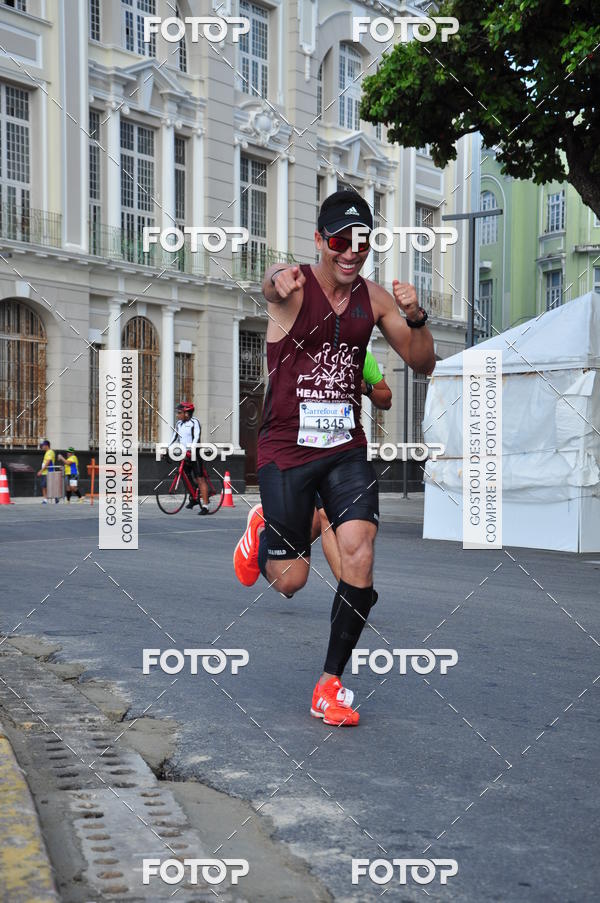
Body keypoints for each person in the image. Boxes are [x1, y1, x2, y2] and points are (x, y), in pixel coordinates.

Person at [233, 189, 435, 727]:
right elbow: (271, 283)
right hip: (286, 448)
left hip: (346, 448)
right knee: (290, 580)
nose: (351, 251)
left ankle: (330, 684)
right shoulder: (294, 287)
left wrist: (416, 317)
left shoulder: (376, 299)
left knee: (360, 553)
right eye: (340, 241)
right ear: (321, 242)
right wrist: (274, 280)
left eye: (362, 242)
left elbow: (423, 363)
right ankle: (263, 529)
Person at [312, 350, 392, 582]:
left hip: (349, 448)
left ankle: (350, 594)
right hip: (309, 446)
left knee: (327, 519)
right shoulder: (304, 347)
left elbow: (386, 398)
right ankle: (268, 539)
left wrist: (365, 387)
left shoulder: (360, 355)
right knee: (324, 517)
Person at [169, 401, 209, 514]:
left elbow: (196, 437)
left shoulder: (194, 422)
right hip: (184, 454)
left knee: (200, 479)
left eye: (180, 412)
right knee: (184, 476)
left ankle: (205, 506)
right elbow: (174, 437)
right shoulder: (178, 424)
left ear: (187, 413)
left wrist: (191, 448)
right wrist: (167, 449)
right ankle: (194, 497)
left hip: (195, 453)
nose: (178, 415)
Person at [37, 439, 58, 504]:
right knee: (46, 486)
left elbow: (48, 462)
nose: (42, 447)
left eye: (43, 445)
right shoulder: (48, 452)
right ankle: (55, 498)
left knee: (44, 486)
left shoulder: (50, 452)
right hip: (46, 472)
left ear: (46, 446)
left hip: (48, 472)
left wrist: (41, 470)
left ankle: (46, 499)